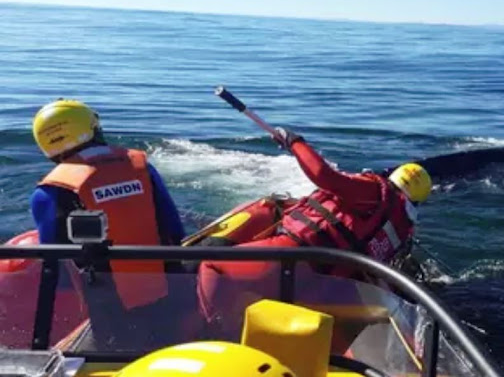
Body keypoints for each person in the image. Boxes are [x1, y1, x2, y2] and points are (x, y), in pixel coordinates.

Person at [196, 127, 432, 341]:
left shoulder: (375, 190)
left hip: (293, 255)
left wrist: (295, 142)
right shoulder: (401, 228)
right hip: (324, 281)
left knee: (212, 265)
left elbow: (323, 176)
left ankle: (216, 333)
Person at [29, 99, 193, 349]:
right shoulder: (141, 166)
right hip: (167, 287)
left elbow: (53, 263)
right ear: (92, 129)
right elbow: (174, 228)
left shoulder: (50, 191)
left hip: (110, 305)